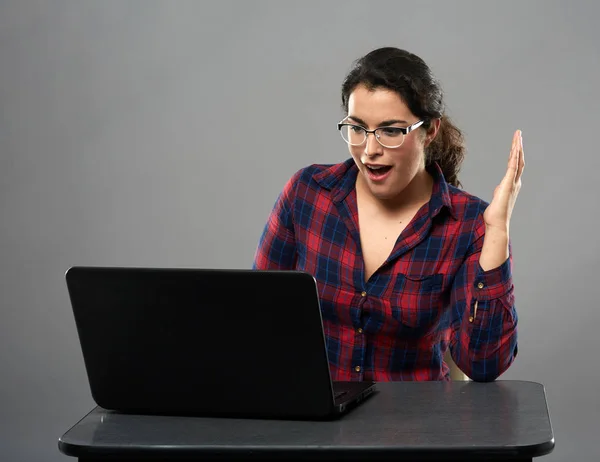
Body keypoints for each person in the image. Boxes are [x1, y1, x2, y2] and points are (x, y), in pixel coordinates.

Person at [252, 47, 523, 382]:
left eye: (391, 131)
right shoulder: (307, 193)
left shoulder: (467, 224)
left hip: (416, 426)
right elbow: (258, 315)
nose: (370, 150)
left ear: (431, 130)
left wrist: (496, 232)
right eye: (357, 128)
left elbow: (484, 365)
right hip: (315, 421)